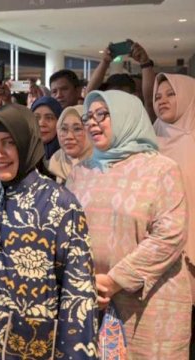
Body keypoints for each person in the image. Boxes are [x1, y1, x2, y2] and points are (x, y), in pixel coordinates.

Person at [0, 104, 98, 359]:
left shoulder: (60, 204)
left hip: (32, 344)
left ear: (27, 143)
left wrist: (75, 353)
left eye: (9, 143)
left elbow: (78, 291)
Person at [67, 90, 191, 358]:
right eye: (88, 116)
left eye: (102, 114)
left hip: (152, 303)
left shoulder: (161, 169)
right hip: (93, 298)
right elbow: (67, 231)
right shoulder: (80, 172)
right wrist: (84, 282)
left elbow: (170, 235)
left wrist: (115, 280)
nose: (91, 122)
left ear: (127, 116)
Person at [152, 72, 195, 358]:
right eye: (157, 96)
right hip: (162, 249)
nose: (162, 101)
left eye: (170, 94)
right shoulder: (149, 143)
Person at [48, 105, 93, 182]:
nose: (69, 136)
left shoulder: (101, 167)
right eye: (64, 129)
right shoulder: (56, 162)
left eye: (77, 129)